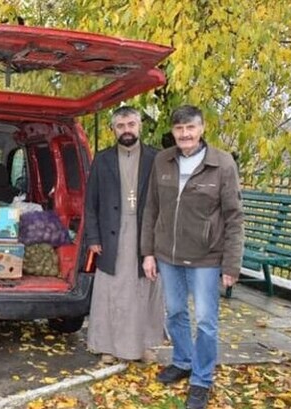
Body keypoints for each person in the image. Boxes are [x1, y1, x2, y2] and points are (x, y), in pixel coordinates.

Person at [141, 105, 244, 409]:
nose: (185, 134)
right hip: (168, 255)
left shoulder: (222, 164)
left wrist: (231, 263)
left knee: (206, 322)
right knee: (174, 312)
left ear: (201, 128)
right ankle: (183, 362)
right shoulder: (163, 160)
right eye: (179, 129)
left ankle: (201, 379)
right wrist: (148, 252)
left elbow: (234, 217)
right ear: (173, 132)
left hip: (206, 258)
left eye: (190, 128)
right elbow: (151, 209)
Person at [84, 106, 165, 364]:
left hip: (146, 233)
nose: (126, 130)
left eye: (131, 124)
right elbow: (91, 202)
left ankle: (144, 346)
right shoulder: (103, 158)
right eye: (121, 126)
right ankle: (106, 345)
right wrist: (93, 237)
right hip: (112, 233)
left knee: (145, 289)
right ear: (113, 129)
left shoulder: (156, 157)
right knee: (111, 290)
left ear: (139, 126)